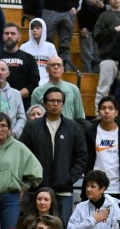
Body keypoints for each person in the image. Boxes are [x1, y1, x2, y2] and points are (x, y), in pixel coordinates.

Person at [21, 86, 88, 219]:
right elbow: (23, 155)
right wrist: (32, 179)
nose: (55, 104)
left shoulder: (73, 127)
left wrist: (69, 178)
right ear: (45, 104)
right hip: (37, 191)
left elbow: (82, 156)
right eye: (52, 101)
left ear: (63, 104)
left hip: (64, 191)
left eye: (59, 101)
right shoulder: (32, 127)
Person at [0, 113, 43, 229]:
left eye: (3, 126)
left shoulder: (19, 147)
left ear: (9, 129)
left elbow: (37, 172)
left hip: (10, 197)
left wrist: (25, 186)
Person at [86, 96, 120, 207]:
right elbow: (86, 158)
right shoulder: (90, 132)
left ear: (116, 112)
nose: (106, 111)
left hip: (117, 188)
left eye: (110, 108)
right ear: (99, 112)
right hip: (95, 188)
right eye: (103, 108)